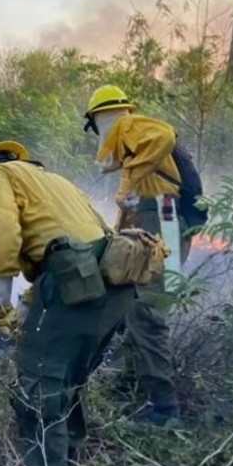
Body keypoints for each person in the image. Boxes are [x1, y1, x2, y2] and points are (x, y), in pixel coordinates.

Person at [0, 141, 160, 466]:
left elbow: (1, 238)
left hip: (78, 283)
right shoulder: (54, 181)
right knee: (67, 376)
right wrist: (29, 304)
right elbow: (85, 237)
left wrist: (0, 314)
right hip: (114, 286)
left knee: (39, 385)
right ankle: (68, 453)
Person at [83, 84, 186, 426]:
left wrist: (128, 186)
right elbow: (132, 205)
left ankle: (164, 408)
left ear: (102, 117)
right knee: (130, 302)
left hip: (163, 218)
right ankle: (131, 385)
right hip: (156, 218)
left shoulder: (129, 126)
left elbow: (166, 136)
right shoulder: (131, 146)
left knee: (147, 312)